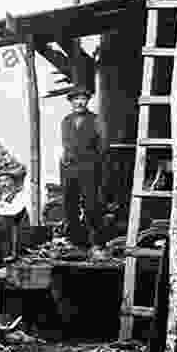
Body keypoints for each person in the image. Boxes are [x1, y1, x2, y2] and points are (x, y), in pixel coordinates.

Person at [60, 86, 108, 258]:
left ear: (87, 101)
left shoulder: (96, 120)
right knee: (69, 205)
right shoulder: (66, 121)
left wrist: (95, 167)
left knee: (91, 206)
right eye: (76, 99)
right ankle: (75, 242)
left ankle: (96, 244)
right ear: (71, 102)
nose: (79, 102)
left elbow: (103, 147)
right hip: (70, 170)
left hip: (90, 168)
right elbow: (66, 145)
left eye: (83, 99)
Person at [0, 164, 30, 268]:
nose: (3, 184)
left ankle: (9, 256)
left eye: (6, 180)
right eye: (0, 181)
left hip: (13, 225)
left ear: (13, 181)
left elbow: (13, 210)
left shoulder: (20, 194)